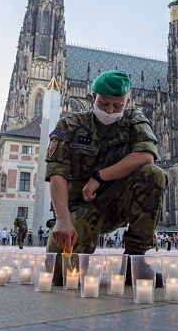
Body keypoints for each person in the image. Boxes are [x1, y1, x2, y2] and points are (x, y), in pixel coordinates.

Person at [45, 70, 167, 286]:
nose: (110, 110)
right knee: (61, 275)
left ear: (127, 101)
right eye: (104, 103)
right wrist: (62, 220)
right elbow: (57, 174)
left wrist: (99, 177)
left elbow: (146, 156)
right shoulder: (69, 125)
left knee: (154, 174)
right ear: (93, 97)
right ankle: (76, 254)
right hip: (80, 207)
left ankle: (134, 261)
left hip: (118, 204)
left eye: (117, 105)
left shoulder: (133, 120)